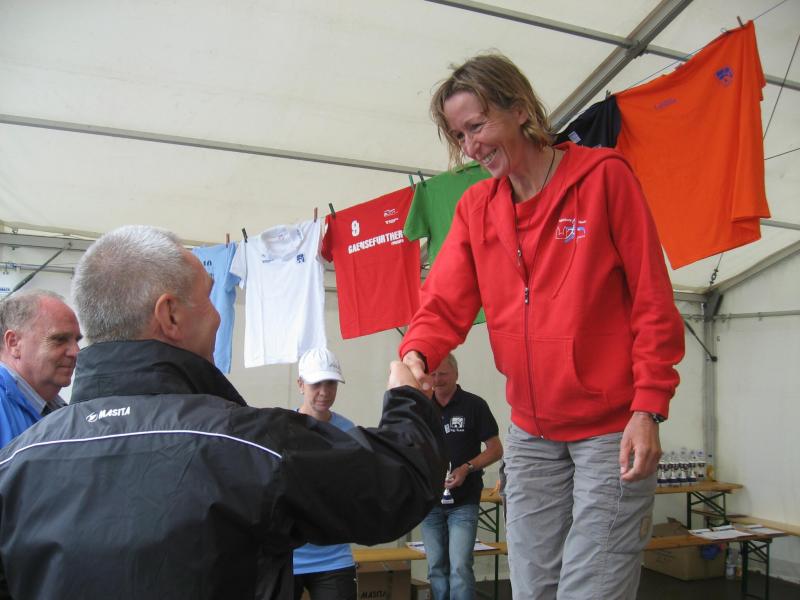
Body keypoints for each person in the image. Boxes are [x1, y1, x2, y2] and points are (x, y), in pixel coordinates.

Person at [0, 225, 446, 600]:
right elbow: (399, 486)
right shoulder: (244, 443)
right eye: (210, 298)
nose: (218, 318)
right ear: (170, 315)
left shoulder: (15, 463)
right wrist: (408, 400)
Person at [399, 54, 685, 600]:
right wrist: (417, 354)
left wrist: (648, 408)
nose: (471, 147)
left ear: (521, 109)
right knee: (532, 588)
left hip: (611, 429)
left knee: (592, 588)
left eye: (477, 126)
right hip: (532, 432)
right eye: (459, 135)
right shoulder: (477, 207)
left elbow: (652, 302)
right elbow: (443, 303)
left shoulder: (604, 178)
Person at [421, 353, 502, 600]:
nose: (437, 379)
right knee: (435, 567)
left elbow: (495, 449)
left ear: (456, 374)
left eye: (443, 374)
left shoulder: (474, 405)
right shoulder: (421, 407)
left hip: (464, 502)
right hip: (429, 503)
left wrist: (466, 468)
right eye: (433, 374)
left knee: (460, 566)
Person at [292, 347, 357, 600]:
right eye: (316, 384)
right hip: (287, 555)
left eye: (331, 383)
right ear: (301, 384)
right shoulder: (282, 428)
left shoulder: (348, 431)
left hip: (334, 556)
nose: (324, 392)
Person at [0, 290, 81, 446]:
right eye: (60, 339)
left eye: (76, 340)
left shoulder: (56, 409)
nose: (76, 352)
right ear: (14, 343)